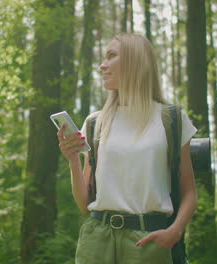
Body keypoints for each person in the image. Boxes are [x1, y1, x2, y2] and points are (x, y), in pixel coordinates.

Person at [57, 33, 197, 264]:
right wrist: (72, 158)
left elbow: (189, 192)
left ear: (136, 60)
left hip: (148, 243)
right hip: (97, 242)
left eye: (111, 56)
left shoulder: (171, 119)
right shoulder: (94, 123)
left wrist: (175, 231)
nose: (102, 65)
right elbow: (84, 204)